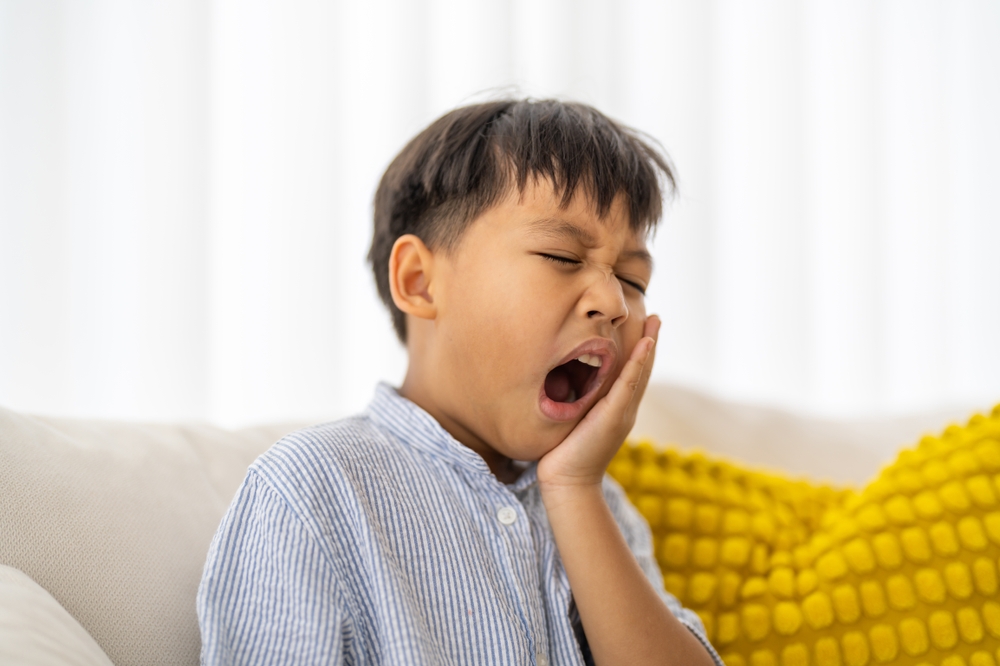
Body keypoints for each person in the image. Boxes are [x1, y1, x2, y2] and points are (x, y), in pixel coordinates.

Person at [197, 99, 722, 666]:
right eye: (562, 256)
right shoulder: (311, 490)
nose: (614, 302)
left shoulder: (603, 506)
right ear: (419, 282)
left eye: (632, 279)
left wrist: (575, 490)